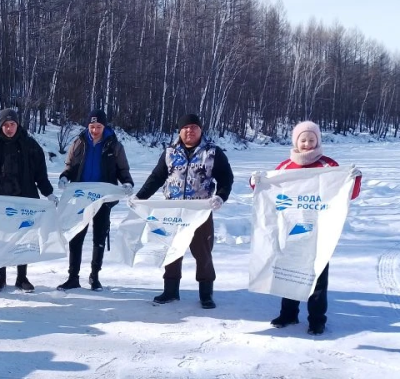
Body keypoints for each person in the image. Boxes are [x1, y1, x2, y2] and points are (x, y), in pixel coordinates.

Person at [254, 120, 362, 335]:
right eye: (303, 139)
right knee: (290, 272)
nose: (307, 144)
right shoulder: (286, 167)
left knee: (318, 277)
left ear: (318, 141)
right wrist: (256, 182)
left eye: (312, 140)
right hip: (292, 230)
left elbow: (348, 194)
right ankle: (289, 314)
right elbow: (271, 191)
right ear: (296, 141)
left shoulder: (329, 166)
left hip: (319, 233)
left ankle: (317, 319)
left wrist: (354, 180)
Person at [133, 113, 234, 309]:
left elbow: (226, 178)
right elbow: (157, 177)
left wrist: (221, 196)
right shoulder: (170, 152)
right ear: (180, 130)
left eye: (194, 127)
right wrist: (140, 197)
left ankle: (206, 293)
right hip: (172, 211)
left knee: (203, 253)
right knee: (171, 249)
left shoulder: (213, 152)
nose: (190, 130)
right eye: (186, 127)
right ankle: (170, 291)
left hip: (200, 211)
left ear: (200, 129)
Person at [56, 109, 133, 291]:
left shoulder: (114, 146)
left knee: (99, 236)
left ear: (104, 127)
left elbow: (123, 169)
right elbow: (69, 166)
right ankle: (73, 277)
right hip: (80, 198)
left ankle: (95, 276)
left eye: (98, 127)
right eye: (92, 126)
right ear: (87, 126)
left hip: (102, 199)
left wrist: (127, 182)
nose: (95, 130)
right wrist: (64, 177)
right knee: (76, 236)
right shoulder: (78, 143)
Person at [0, 108, 57, 292]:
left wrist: (48, 193)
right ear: (1, 126)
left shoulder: (30, 145)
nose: (9, 128)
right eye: (5, 125)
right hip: (0, 200)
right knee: (2, 238)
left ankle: (22, 278)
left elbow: (41, 174)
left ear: (18, 124)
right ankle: (1, 277)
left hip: (25, 198)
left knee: (23, 238)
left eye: (12, 124)